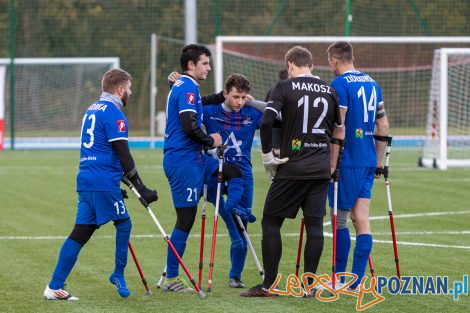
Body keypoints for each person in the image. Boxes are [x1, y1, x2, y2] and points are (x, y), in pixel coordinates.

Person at [43, 69, 159, 300]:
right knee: (124, 224)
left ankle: (54, 286)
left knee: (80, 233)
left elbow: (102, 150)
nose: (130, 93)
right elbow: (124, 155)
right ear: (119, 90)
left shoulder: (91, 109)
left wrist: (120, 180)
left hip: (86, 180)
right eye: (129, 89)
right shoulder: (114, 114)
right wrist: (141, 187)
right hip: (102, 181)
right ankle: (118, 273)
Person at [240, 46, 344, 297]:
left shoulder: (284, 87)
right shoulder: (330, 90)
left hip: (292, 166)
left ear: (289, 64)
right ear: (311, 64)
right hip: (320, 169)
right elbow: (339, 131)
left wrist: (267, 157)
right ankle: (309, 286)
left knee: (271, 222)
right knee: (315, 227)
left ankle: (269, 285)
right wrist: (332, 164)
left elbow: (267, 120)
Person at [162, 44, 244, 292]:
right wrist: (211, 140)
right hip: (183, 161)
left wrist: (223, 96)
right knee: (186, 219)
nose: (209, 67)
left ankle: (232, 208)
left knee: (233, 171)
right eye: (205, 63)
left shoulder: (186, 86)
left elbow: (200, 102)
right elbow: (188, 124)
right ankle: (171, 279)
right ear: (191, 65)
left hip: (194, 158)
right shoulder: (186, 86)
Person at [326, 41, 389, 291]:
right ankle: (357, 281)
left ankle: (339, 279)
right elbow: (383, 126)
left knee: (340, 221)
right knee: (361, 218)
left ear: (334, 60)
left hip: (347, 160)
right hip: (367, 160)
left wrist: (332, 163)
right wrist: (378, 161)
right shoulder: (373, 84)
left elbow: (339, 126)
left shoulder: (339, 84)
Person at [202, 74, 262, 288]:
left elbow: (278, 116)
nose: (239, 102)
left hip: (243, 174)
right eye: (236, 96)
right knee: (225, 209)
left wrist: (253, 102)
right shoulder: (210, 112)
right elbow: (188, 107)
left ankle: (235, 276)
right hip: (216, 171)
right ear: (225, 93)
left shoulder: (251, 113)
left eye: (244, 97)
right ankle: (232, 230)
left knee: (242, 226)